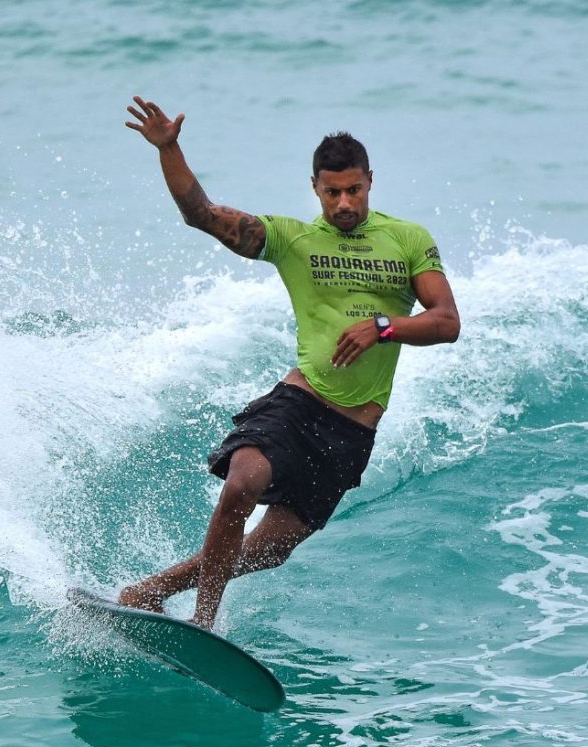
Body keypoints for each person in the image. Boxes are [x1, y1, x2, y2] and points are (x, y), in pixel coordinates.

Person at [116, 96, 461, 629]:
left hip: (353, 429)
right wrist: (170, 150)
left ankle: (151, 590)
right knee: (241, 485)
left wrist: (383, 327)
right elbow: (201, 215)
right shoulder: (292, 238)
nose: (343, 203)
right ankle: (203, 622)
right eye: (331, 193)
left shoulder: (407, 240)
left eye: (354, 190)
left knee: (270, 550)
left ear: (370, 181)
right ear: (315, 188)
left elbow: (446, 322)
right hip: (298, 402)